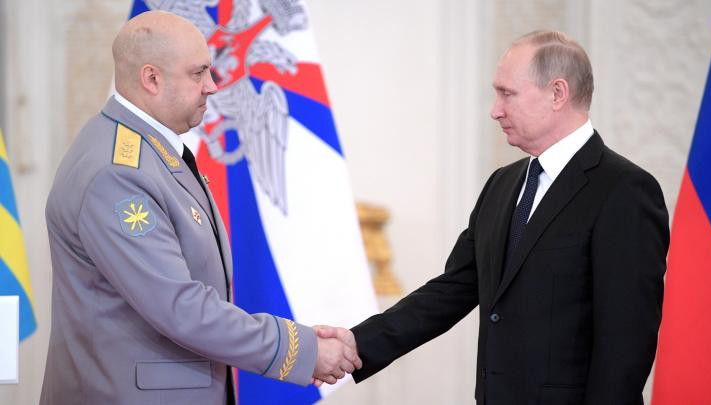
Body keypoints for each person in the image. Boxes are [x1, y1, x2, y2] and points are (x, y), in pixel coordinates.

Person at [318, 30, 670, 404]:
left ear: (557, 93)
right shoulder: (502, 184)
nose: (495, 110)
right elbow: (452, 290)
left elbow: (625, 344)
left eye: (507, 93)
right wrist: (357, 343)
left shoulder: (624, 191)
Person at [41, 10, 359, 405]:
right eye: (198, 73)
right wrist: (301, 350)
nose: (212, 86)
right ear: (151, 79)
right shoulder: (118, 173)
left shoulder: (147, 151)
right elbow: (180, 308)